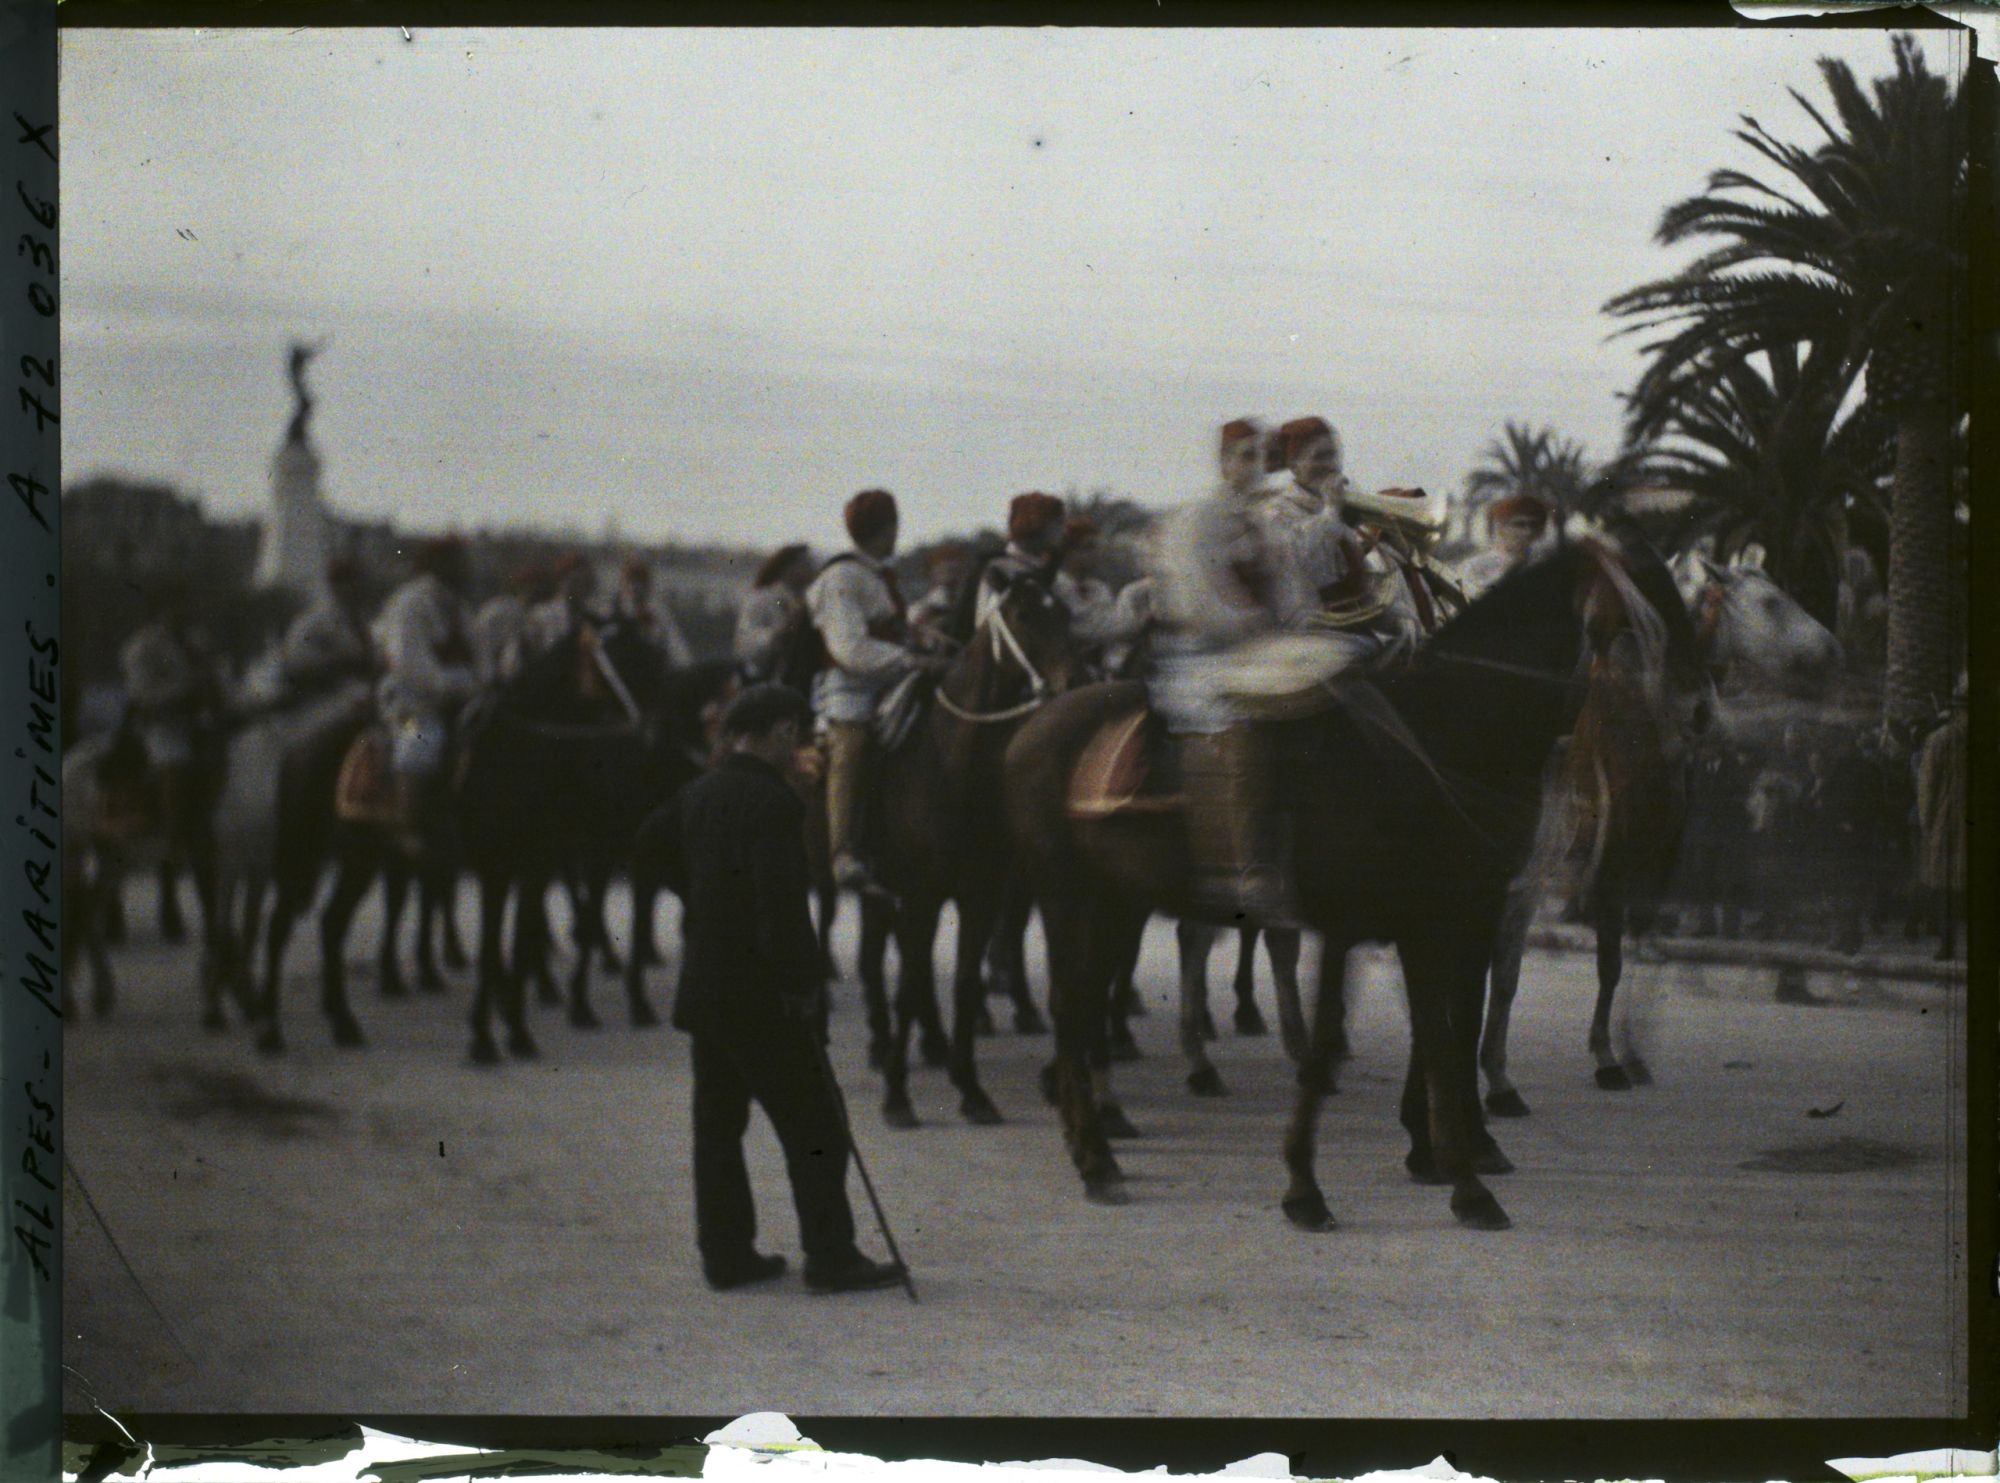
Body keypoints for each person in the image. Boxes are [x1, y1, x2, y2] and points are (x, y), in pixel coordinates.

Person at [671, 683, 909, 1294]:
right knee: (817, 1130)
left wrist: (706, 907)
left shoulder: (698, 791)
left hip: (707, 988)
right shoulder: (773, 802)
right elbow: (782, 911)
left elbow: (651, 848)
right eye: (798, 734)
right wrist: (803, 988)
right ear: (778, 732)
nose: (801, 745)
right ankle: (831, 1257)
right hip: (763, 997)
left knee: (717, 1128)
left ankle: (725, 1256)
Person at [1148, 418, 1316, 926]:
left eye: (1263, 457)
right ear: (1224, 463)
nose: (1255, 466)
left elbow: (1293, 593)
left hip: (1261, 653)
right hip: (1199, 657)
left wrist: (1301, 627)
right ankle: (1237, 870)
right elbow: (1201, 601)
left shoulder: (1265, 524)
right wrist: (1261, 629)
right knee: (1247, 720)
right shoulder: (1196, 520)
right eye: (1244, 456)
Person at [804, 489, 949, 894]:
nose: (896, 531)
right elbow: (849, 648)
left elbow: (891, 631)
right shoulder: (840, 577)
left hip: (892, 682)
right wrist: (909, 659)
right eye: (892, 524)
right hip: (849, 689)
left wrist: (922, 643)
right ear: (883, 529)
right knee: (851, 747)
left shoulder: (879, 575)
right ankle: (843, 852)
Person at [373, 536, 480, 845]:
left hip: (462, 703)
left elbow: (480, 653)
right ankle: (408, 824)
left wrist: (482, 682)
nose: (464, 568)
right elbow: (411, 664)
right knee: (419, 740)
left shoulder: (460, 608)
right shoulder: (409, 604)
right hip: (411, 705)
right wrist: (458, 684)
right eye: (456, 561)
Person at [117, 582, 220, 842]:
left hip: (199, 721)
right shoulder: (142, 647)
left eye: (186, 605)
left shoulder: (196, 640)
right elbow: (142, 696)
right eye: (176, 606)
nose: (183, 611)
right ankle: (172, 836)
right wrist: (186, 693)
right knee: (175, 763)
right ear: (160, 609)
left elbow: (214, 679)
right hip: (161, 724)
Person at [1915, 677, 1967, 960]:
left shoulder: (1939, 739)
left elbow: (1927, 787)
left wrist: (1927, 821)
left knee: (1947, 887)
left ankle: (1947, 944)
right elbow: (1928, 786)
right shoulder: (1941, 740)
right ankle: (1947, 942)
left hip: (1948, 823)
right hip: (1950, 823)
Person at [277, 555, 377, 699]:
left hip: (350, 691)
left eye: (360, 583)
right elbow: (296, 665)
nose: (358, 589)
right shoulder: (317, 621)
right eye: (350, 582)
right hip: (316, 695)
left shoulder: (360, 619)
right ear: (335, 585)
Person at [734, 543, 816, 688]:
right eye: (805, 564)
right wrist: (778, 634)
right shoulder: (762, 598)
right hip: (762, 680)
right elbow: (745, 644)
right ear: (787, 567)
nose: (811, 569)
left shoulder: (810, 600)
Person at [1458, 492, 1551, 601]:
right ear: (1501, 527)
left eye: (1533, 525)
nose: (1527, 532)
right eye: (1519, 524)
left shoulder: (1543, 565)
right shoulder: (1476, 566)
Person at [472, 563, 551, 688]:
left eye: (539, 586)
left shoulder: (536, 618)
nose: (535, 591)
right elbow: (483, 644)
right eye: (532, 585)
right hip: (493, 681)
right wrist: (490, 679)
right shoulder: (498, 609)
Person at [612, 554, 696, 670]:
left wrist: (651, 628)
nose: (636, 586)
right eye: (632, 580)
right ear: (624, 582)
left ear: (649, 584)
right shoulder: (614, 609)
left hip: (654, 670)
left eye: (641, 580)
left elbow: (676, 647)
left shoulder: (658, 611)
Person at [524, 552, 598, 657]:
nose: (580, 588)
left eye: (585, 582)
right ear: (561, 581)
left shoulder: (590, 619)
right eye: (575, 581)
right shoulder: (541, 615)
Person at [908, 542, 973, 651]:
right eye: (944, 565)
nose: (951, 571)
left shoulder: (975, 604)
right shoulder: (916, 611)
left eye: (956, 564)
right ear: (929, 572)